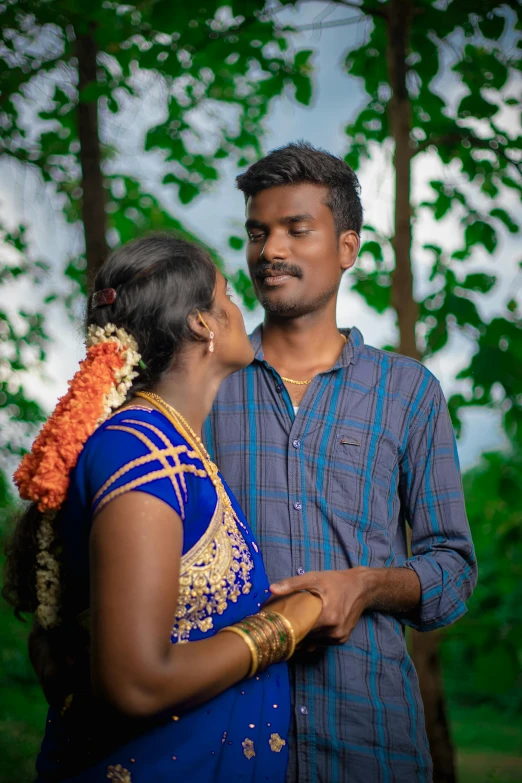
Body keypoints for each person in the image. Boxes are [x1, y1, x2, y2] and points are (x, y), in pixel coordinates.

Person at [2, 234, 322, 783]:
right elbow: (136, 684)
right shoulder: (142, 448)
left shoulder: (175, 448)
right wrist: (282, 627)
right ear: (203, 323)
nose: (239, 308)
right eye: (226, 294)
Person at [204, 142, 478, 783]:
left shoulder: (409, 392)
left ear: (347, 247)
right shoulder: (206, 387)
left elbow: (453, 570)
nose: (271, 250)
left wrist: (367, 585)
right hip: (225, 740)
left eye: (297, 229)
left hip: (370, 739)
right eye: (257, 232)